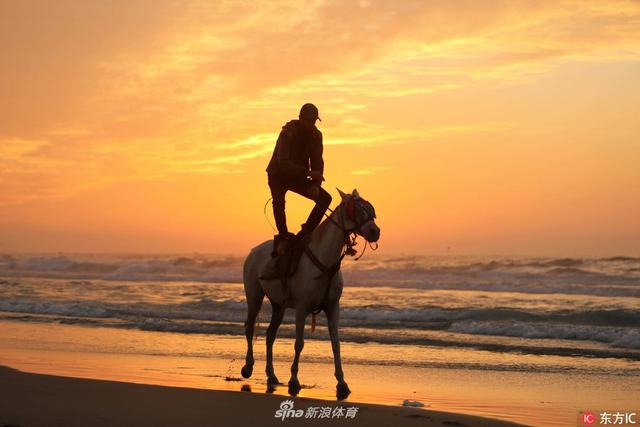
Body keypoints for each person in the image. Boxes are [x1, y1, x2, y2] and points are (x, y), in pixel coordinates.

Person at [265, 103, 332, 257]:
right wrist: (307, 172)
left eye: (314, 121)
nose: (312, 124)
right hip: (278, 175)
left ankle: (305, 233)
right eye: (309, 120)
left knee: (325, 199)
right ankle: (283, 236)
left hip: (298, 176)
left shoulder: (316, 135)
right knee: (279, 202)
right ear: (300, 118)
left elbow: (317, 161)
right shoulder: (288, 133)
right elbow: (283, 163)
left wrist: (315, 184)